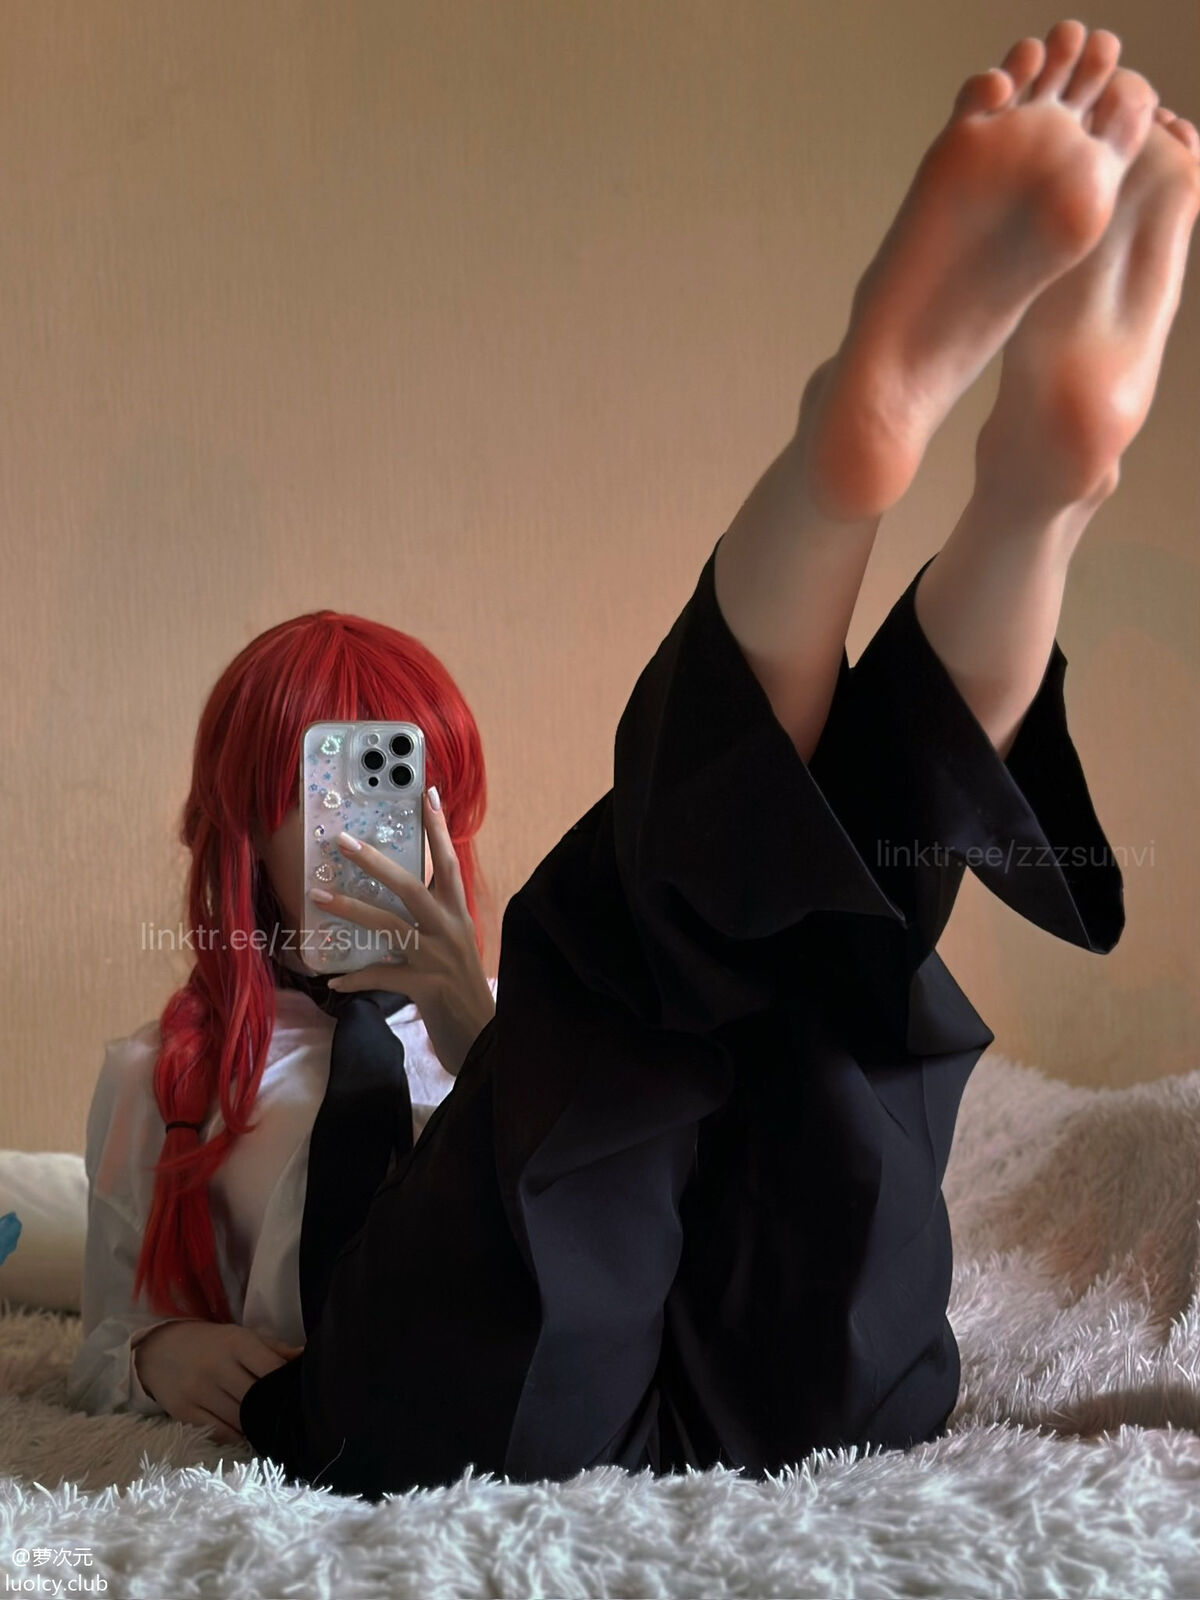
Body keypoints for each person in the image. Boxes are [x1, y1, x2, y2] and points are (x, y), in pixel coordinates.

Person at [69, 20, 1198, 1501]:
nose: (348, 825)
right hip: (411, 1405)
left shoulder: (466, 1022)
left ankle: (999, 491)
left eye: (392, 774)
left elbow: (608, 1179)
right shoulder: (161, 1075)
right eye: (310, 783)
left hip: (738, 1372)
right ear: (239, 819)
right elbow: (100, 1317)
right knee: (634, 962)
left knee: (794, 996)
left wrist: (468, 1013)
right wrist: (159, 1355)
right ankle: (958, 488)